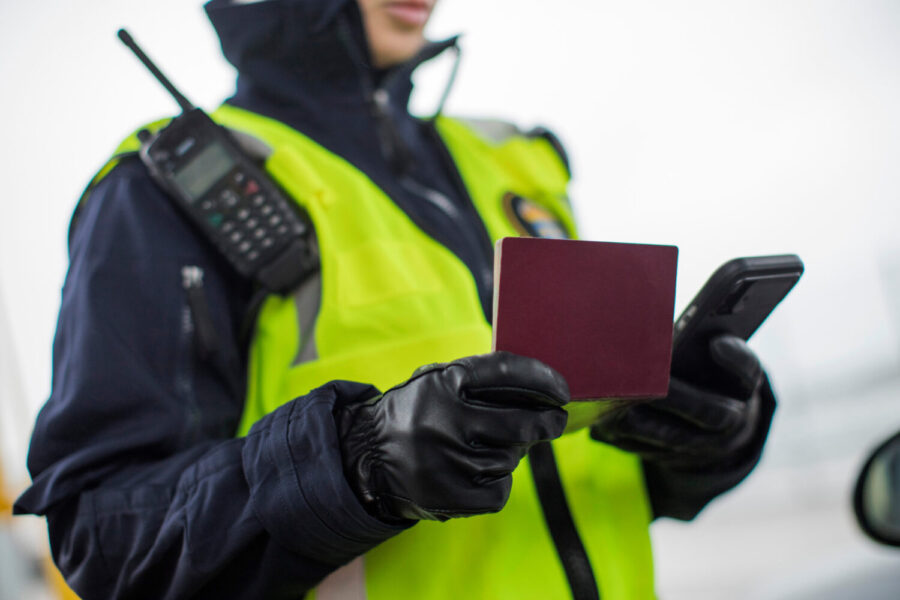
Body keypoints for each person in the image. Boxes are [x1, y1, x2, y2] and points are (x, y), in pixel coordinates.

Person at [14, 0, 777, 598]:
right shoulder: (160, 191)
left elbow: (580, 484)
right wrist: (355, 465)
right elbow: (102, 536)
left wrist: (704, 438)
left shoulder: (514, 161)